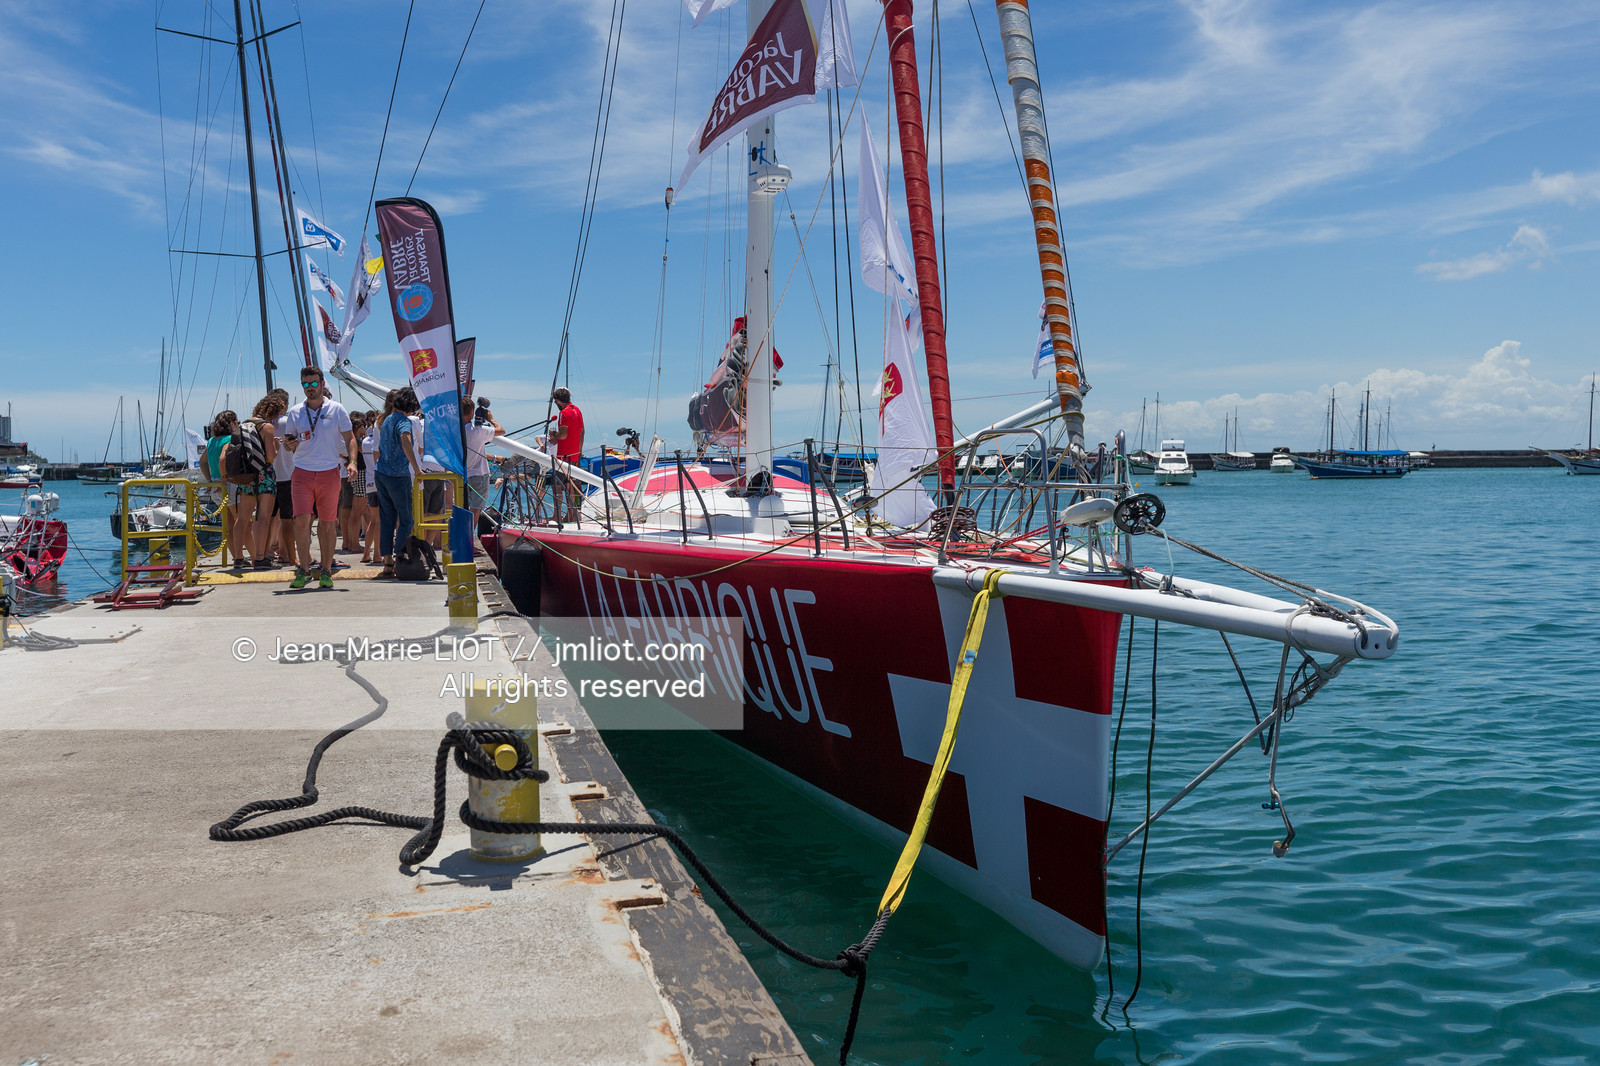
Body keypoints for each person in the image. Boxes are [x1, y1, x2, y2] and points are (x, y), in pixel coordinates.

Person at [283, 367, 356, 589]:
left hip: (329, 471)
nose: (309, 388)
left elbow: (350, 438)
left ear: (322, 384)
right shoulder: (295, 412)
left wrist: (352, 462)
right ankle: (303, 570)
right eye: (305, 384)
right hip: (302, 472)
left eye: (313, 384)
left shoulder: (337, 409)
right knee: (302, 520)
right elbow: (288, 443)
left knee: (327, 522)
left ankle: (326, 569)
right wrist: (288, 444)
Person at [373, 388, 423, 578]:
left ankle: (387, 559)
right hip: (397, 475)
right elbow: (405, 440)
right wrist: (416, 468)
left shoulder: (386, 420)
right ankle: (400, 556)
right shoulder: (404, 422)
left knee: (387, 518)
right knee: (407, 518)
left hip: (381, 472)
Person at [238, 394, 284, 567]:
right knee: (263, 517)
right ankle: (260, 557)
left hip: (247, 476)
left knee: (244, 518)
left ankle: (239, 557)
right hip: (264, 475)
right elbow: (270, 457)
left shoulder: (244, 424)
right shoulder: (267, 427)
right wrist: (277, 447)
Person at [204, 411, 246, 567]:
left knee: (228, 526)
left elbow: (203, 462)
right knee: (241, 522)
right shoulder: (229, 439)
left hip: (215, 485)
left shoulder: (210, 442)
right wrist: (224, 476)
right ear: (232, 423)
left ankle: (236, 558)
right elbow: (223, 459)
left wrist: (210, 479)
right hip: (228, 483)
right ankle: (243, 557)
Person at [463, 397, 505, 544]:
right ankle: (468, 542)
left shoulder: (457, 430)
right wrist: (492, 420)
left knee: (464, 510)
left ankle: (462, 539)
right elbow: (501, 431)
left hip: (463, 475)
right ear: (472, 411)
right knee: (475, 510)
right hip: (479, 475)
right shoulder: (477, 430)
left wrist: (494, 457)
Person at [266, 388, 297, 568]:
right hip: (287, 474)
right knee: (287, 519)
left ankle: (267, 552)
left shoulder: (264, 424)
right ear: (284, 404)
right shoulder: (287, 422)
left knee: (268, 518)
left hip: (269, 477)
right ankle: (285, 553)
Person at [545, 387, 584, 522]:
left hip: (563, 455)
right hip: (574, 454)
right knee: (573, 485)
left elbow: (563, 435)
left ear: (558, 400)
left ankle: (558, 515)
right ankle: (575, 514)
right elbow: (582, 433)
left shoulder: (564, 414)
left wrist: (553, 436)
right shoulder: (577, 410)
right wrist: (578, 453)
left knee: (557, 485)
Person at [360, 409, 381, 563]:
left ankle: (366, 553)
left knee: (373, 521)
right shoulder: (378, 442)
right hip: (380, 482)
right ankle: (377, 554)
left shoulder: (365, 442)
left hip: (369, 482)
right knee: (380, 522)